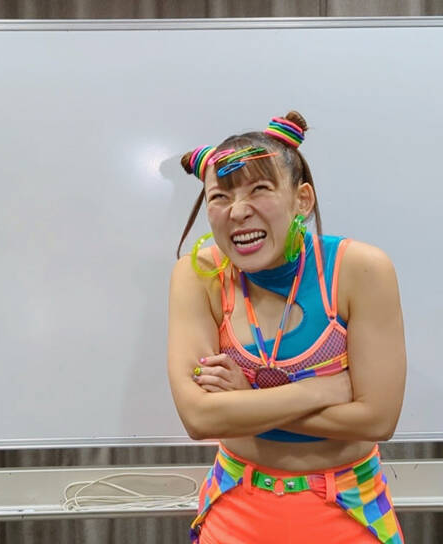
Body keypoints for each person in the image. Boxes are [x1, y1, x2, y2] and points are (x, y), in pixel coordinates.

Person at [167, 111, 407, 544]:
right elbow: (199, 417)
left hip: (349, 510)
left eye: (259, 189)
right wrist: (322, 390)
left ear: (302, 199)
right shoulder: (199, 274)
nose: (238, 211)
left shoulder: (359, 269)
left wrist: (245, 402)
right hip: (234, 511)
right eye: (220, 196)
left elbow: (376, 419)